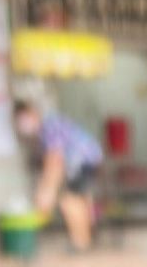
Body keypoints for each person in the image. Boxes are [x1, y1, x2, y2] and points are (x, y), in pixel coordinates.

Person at [13, 101, 103, 251]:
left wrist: (46, 191)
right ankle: (84, 239)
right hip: (86, 160)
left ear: (33, 113)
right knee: (79, 199)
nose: (23, 124)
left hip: (81, 161)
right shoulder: (47, 126)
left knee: (69, 200)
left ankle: (81, 242)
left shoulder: (49, 126)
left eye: (24, 118)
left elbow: (54, 160)